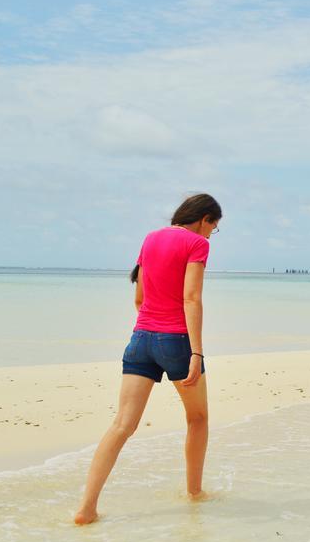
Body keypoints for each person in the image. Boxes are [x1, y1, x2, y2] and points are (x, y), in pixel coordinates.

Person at [74, 194, 222, 525]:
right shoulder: (197, 244)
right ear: (205, 219)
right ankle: (195, 493)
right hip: (177, 341)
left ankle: (87, 508)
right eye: (215, 226)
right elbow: (192, 297)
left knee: (122, 425)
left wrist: (152, 327)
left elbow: (139, 298)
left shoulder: (151, 238)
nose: (212, 234)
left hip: (140, 340)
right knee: (197, 419)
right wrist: (195, 351)